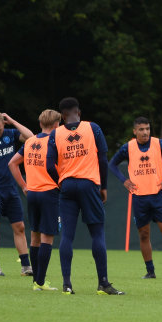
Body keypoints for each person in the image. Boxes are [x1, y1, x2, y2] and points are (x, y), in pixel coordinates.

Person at [46, 97, 124, 295]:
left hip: (68, 186)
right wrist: (103, 187)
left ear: (62, 117)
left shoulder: (56, 134)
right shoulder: (93, 128)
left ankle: (67, 284)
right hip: (89, 185)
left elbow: (49, 165)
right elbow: (103, 160)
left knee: (67, 236)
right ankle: (103, 283)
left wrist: (61, 181)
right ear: (78, 112)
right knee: (97, 234)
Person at [109, 116, 162, 279]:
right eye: (141, 129)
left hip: (159, 196)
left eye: (147, 129)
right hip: (139, 198)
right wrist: (124, 181)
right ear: (135, 131)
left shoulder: (160, 144)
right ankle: (150, 271)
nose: (145, 132)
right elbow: (112, 164)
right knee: (144, 234)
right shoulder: (128, 147)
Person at [8, 109, 61, 291]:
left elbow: (12, 163)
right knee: (47, 237)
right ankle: (40, 281)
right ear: (56, 125)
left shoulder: (30, 141)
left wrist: (24, 185)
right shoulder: (55, 141)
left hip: (33, 194)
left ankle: (36, 282)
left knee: (35, 237)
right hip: (49, 192)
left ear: (40, 124)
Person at [0, 111, 34, 276]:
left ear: (4, 124)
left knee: (20, 227)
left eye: (0, 129)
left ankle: (26, 266)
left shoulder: (11, 134)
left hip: (11, 189)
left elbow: (31, 138)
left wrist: (13, 121)